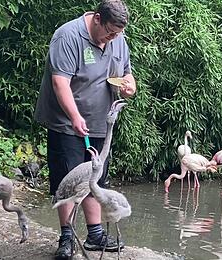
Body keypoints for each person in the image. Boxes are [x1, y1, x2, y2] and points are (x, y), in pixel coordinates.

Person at [34, 0, 136, 258]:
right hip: (66, 122)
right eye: (110, 32)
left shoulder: (117, 39)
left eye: (118, 33)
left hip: (101, 122)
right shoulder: (67, 36)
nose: (113, 38)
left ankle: (95, 234)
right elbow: (60, 83)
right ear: (97, 19)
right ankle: (66, 237)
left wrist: (129, 87)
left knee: (95, 178)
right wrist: (75, 116)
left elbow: (127, 73)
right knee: (68, 180)